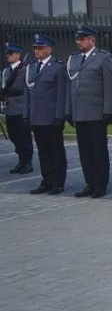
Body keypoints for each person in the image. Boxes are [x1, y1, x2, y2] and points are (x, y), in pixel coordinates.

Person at [66, 25, 112, 198]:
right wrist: (69, 110)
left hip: (96, 113)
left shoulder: (103, 58)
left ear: (92, 40)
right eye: (78, 39)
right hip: (80, 113)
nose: (79, 42)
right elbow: (70, 87)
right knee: (85, 151)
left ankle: (100, 184)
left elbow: (110, 86)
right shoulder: (74, 59)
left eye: (82, 39)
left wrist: (108, 110)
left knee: (98, 151)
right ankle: (90, 182)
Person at [23, 35, 67, 194]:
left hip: (51, 117)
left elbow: (61, 94)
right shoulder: (31, 68)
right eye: (35, 48)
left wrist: (59, 116)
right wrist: (26, 115)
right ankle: (46, 180)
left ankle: (58, 182)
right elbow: (27, 93)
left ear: (49, 49)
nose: (37, 51)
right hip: (37, 117)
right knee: (43, 152)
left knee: (56, 151)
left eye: (40, 48)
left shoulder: (57, 67)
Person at [1, 43, 33, 174]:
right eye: (8, 54)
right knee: (13, 135)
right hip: (10, 108)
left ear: (18, 54)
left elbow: (29, 87)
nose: (8, 56)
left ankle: (27, 162)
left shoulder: (26, 69)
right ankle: (21, 160)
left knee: (23, 136)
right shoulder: (5, 71)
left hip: (21, 107)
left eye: (11, 54)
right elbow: (3, 88)